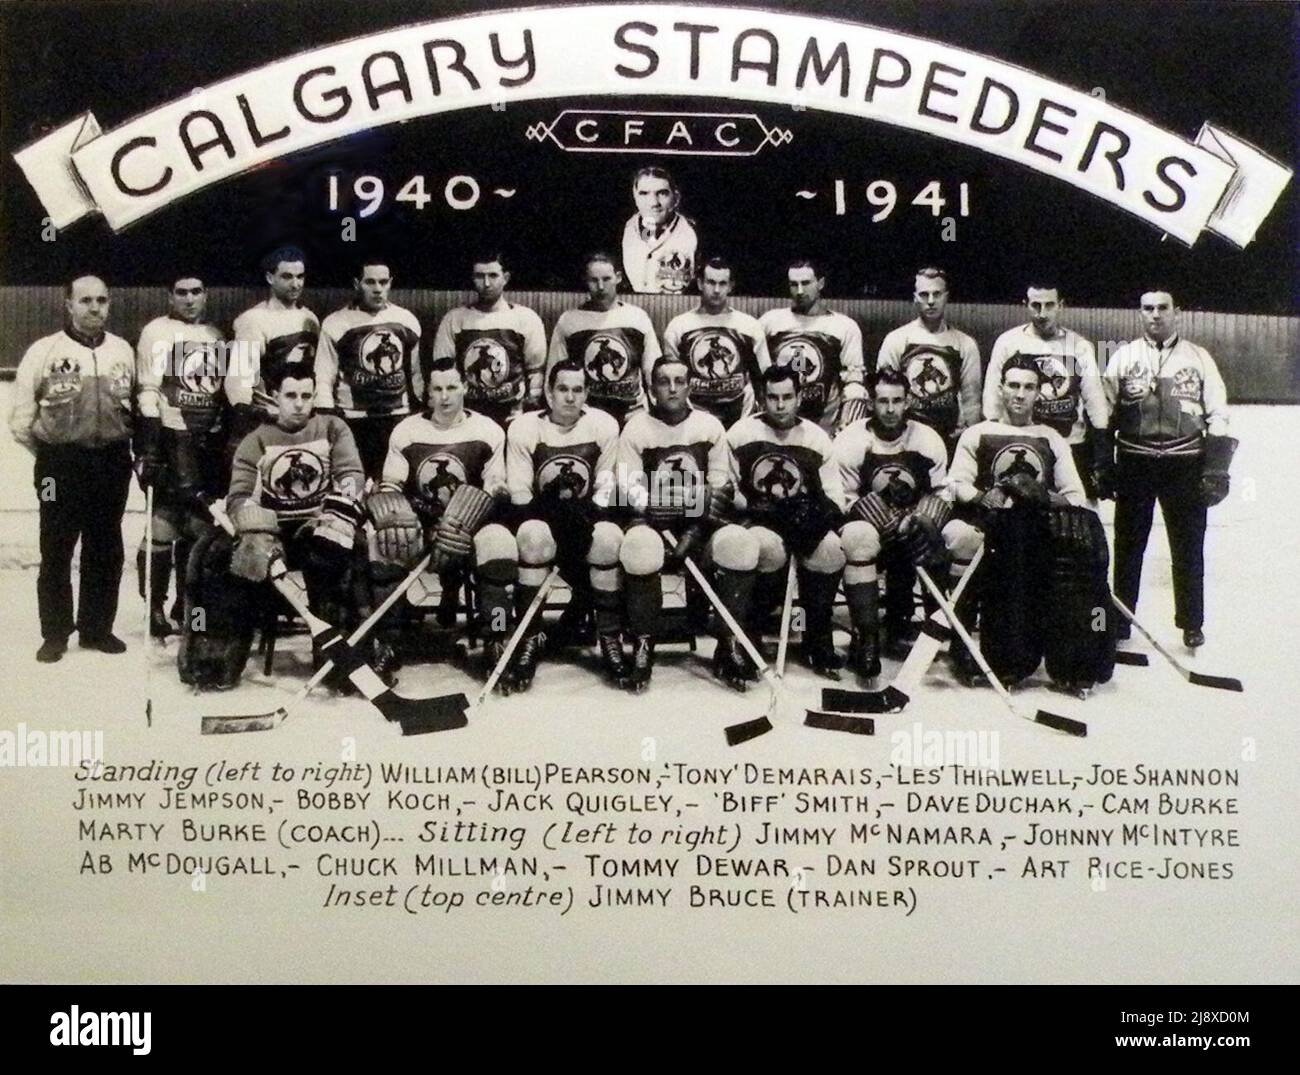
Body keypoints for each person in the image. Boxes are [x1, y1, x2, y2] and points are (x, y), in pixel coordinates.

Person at [182, 363, 365, 691]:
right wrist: (256, 527)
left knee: (346, 554)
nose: (299, 403)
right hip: (273, 532)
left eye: (306, 396)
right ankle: (214, 659)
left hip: (317, 527)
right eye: (291, 395)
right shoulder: (256, 440)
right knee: (219, 555)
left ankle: (342, 665)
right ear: (275, 397)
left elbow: (350, 472)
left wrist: (340, 507)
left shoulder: (333, 428)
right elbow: (239, 496)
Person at [944, 357, 1095, 688]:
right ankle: (962, 642)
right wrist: (984, 496)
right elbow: (954, 484)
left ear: (1039, 393)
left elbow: (1075, 496)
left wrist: (1039, 495)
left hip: (1031, 529)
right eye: (1013, 385)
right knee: (962, 538)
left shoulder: (1051, 437)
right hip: (987, 524)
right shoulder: (978, 432)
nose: (1020, 394)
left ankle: (1060, 654)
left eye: (1028, 387)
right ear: (1000, 389)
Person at [9, 275, 136, 662]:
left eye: (101, 300)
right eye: (85, 301)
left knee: (106, 547)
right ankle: (55, 633)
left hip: (112, 460)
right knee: (57, 547)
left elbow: (132, 405)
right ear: (68, 304)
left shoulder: (122, 350)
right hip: (59, 465)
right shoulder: (43, 351)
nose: (94, 308)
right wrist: (51, 456)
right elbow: (20, 420)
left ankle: (97, 629)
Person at [367, 358, 513, 681]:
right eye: (437, 389)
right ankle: (389, 641)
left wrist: (470, 514)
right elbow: (391, 485)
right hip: (422, 520)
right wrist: (395, 510)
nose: (445, 397)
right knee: (383, 543)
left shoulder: (488, 430)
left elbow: (497, 487)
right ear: (427, 393)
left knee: (499, 547)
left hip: (470, 525)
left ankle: (497, 636)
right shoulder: (407, 431)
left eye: (451, 387)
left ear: (465, 388)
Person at [1103, 290, 1234, 649]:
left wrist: (1217, 468)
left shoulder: (1198, 357)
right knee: (1128, 546)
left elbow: (1218, 413)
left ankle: (1192, 623)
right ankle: (1121, 621)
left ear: (1177, 312)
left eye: (1163, 308)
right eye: (1148, 308)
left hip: (1184, 463)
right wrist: (1103, 462)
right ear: (1140, 313)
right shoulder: (1124, 357)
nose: (1155, 315)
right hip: (1135, 460)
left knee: (1189, 547)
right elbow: (1104, 412)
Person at [725, 365, 848, 684]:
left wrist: (813, 516)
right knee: (767, 549)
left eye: (787, 397)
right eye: (773, 397)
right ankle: (751, 635)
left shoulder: (816, 437)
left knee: (832, 548)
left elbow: (835, 496)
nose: (780, 405)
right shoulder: (741, 433)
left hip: (801, 521)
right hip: (760, 520)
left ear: (799, 398)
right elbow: (728, 487)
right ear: (762, 399)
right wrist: (754, 508)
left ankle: (816, 635)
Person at [504, 359, 623, 690]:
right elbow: (519, 492)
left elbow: (605, 488)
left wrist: (581, 516)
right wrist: (556, 514)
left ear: (587, 393)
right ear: (548, 393)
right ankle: (529, 636)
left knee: (608, 538)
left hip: (585, 516)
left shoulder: (604, 426)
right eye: (562, 389)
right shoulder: (524, 428)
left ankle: (609, 637)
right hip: (540, 513)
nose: (570, 397)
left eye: (578, 390)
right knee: (532, 535)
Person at [616, 355, 732, 692]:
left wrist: (684, 511)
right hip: (653, 523)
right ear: (652, 388)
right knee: (639, 549)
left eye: (680, 381)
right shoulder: (636, 427)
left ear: (690, 386)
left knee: (738, 545)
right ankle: (643, 643)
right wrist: (664, 506)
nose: (672, 388)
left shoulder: (709, 426)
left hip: (699, 524)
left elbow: (719, 487)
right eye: (664, 381)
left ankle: (729, 643)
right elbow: (628, 488)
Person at [834, 368, 951, 674]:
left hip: (915, 532)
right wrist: (886, 518)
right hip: (873, 530)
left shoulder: (927, 438)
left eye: (897, 401)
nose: (889, 409)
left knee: (938, 529)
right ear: (871, 402)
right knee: (858, 535)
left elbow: (943, 493)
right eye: (882, 401)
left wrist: (920, 519)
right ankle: (867, 635)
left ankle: (936, 630)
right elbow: (843, 500)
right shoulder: (850, 440)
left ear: (908, 401)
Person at [134, 273, 228, 638]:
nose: (190, 299)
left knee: (199, 525)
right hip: (168, 440)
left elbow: (221, 392)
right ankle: (153, 606)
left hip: (206, 445)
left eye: (197, 292)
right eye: (182, 293)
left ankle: (185, 603)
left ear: (206, 295)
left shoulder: (217, 336)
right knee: (163, 522)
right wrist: (150, 447)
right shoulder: (156, 332)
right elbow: (148, 391)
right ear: (170, 295)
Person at [984, 282, 1111, 499]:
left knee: (1076, 516)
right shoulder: (1008, 342)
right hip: (1022, 441)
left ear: (1060, 305)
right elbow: (992, 400)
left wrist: (1102, 454)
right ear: (1025, 305)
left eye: (1049, 305)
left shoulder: (1079, 346)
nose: (1042, 313)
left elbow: (1095, 401)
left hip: (1070, 445)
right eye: (1036, 305)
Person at [314, 257, 423, 481]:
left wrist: (420, 410)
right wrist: (328, 417)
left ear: (391, 282)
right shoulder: (336, 323)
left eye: (383, 282)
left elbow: (415, 374)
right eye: (370, 282)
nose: (377, 289)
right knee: (355, 482)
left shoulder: (406, 320)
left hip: (396, 417)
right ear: (357, 284)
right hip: (354, 418)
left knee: (392, 483)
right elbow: (324, 375)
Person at [430, 252, 546, 429]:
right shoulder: (455, 319)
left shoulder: (526, 319)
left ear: (505, 278)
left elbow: (535, 371)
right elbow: (444, 373)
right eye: (479, 276)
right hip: (467, 418)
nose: (486, 283)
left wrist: (526, 414)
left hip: (512, 417)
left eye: (493, 275)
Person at [877, 266, 982, 456]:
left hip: (949, 439)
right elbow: (882, 393)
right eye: (924, 295)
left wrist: (966, 438)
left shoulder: (965, 344)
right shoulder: (896, 340)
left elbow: (971, 401)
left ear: (946, 296)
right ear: (915, 297)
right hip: (905, 439)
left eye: (937, 294)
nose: (931, 301)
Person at [223, 245, 320, 450]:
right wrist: (245, 418)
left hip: (302, 418)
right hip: (267, 418)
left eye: (300, 277)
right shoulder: (254, 320)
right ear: (270, 278)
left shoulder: (310, 319)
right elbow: (239, 378)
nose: (295, 284)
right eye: (287, 277)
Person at [546, 252, 659, 426]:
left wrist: (655, 413)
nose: (600, 287)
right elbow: (554, 375)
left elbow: (654, 370)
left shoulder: (637, 317)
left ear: (618, 277)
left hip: (633, 413)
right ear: (586, 280)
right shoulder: (570, 321)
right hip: (587, 416)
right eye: (594, 280)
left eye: (606, 279)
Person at [758, 257, 866, 435]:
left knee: (857, 391)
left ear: (820, 283)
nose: (799, 291)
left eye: (806, 283)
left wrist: (846, 431)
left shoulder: (843, 326)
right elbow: (757, 376)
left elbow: (854, 382)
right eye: (794, 284)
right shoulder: (771, 322)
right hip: (776, 421)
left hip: (823, 427)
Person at [662, 256, 769, 428]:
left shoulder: (749, 326)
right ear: (700, 284)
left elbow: (764, 378)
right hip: (693, 416)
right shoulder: (679, 327)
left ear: (730, 286)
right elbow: (669, 378)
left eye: (722, 283)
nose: (717, 290)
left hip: (739, 415)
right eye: (711, 282)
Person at [621, 166, 698, 295]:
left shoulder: (690, 233)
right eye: (644, 193)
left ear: (676, 197)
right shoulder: (626, 229)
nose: (653, 202)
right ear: (635, 197)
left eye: (662, 193)